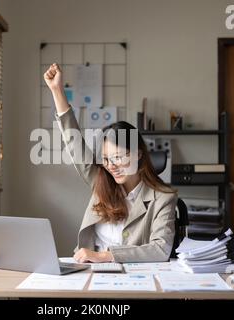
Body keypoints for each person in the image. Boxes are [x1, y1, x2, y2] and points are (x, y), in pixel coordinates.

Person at [44, 63, 177, 263]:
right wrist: (57, 90)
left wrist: (104, 256)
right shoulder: (101, 180)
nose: (111, 165)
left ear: (137, 155)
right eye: (106, 159)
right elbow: (73, 141)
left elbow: (160, 249)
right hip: (88, 271)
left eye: (118, 157)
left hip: (133, 278)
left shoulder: (163, 198)